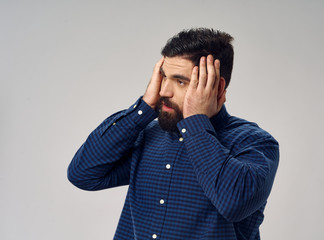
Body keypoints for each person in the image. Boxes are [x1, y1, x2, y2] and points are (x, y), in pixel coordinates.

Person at [67, 28, 279, 240]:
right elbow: (83, 174)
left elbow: (234, 203)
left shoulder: (255, 143)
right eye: (163, 77)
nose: (163, 91)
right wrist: (143, 108)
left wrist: (196, 121)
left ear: (217, 87)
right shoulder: (149, 134)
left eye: (180, 81)